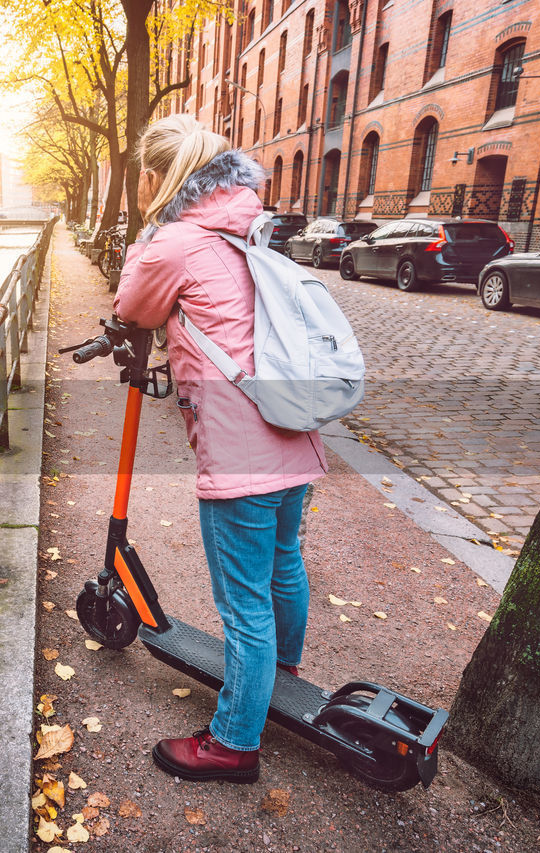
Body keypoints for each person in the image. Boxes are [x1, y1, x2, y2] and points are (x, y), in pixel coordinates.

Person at [113, 115, 329, 784]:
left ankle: (234, 741)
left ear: (156, 177)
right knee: (284, 566)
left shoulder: (174, 241)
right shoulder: (244, 226)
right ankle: (279, 673)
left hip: (241, 459)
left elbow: (133, 306)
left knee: (244, 604)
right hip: (294, 433)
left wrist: (145, 233)